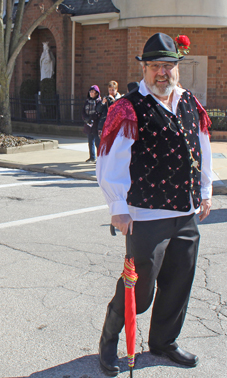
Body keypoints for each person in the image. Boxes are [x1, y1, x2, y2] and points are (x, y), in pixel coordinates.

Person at [96, 33, 213, 377]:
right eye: (155, 66)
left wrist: (205, 190)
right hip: (146, 215)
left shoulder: (189, 101)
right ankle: (109, 341)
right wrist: (117, 206)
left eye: (168, 66)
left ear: (177, 67)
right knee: (140, 289)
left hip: (186, 212)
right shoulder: (129, 107)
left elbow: (202, 148)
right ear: (145, 69)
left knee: (179, 283)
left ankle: (164, 342)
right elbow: (110, 161)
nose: (162, 73)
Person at [81, 85, 101, 163]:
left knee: (97, 142)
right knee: (90, 142)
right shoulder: (87, 101)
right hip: (88, 125)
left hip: (95, 125)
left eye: (93, 92)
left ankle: (100, 158)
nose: (91, 93)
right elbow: (83, 111)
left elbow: (98, 112)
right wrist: (86, 118)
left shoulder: (99, 101)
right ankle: (92, 157)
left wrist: (92, 118)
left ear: (96, 93)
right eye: (90, 91)